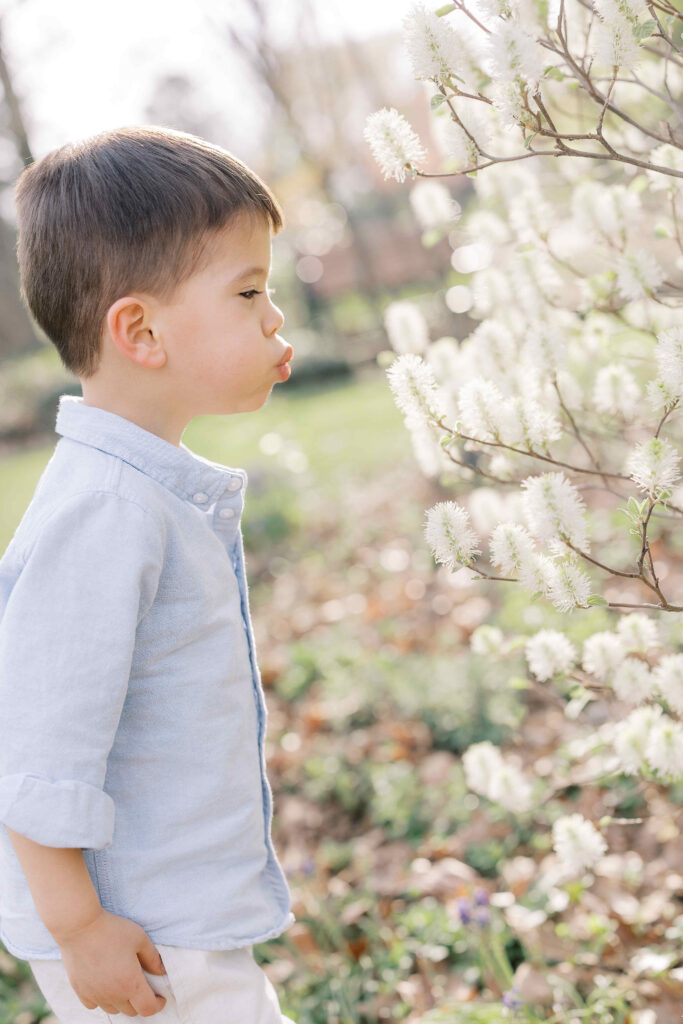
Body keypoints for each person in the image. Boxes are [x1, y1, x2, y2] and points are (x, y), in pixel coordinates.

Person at [0, 125, 298, 1022]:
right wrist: (80, 927)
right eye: (247, 291)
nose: (274, 317)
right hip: (142, 939)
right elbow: (36, 749)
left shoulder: (137, 495)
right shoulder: (107, 513)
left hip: (169, 920)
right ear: (140, 331)